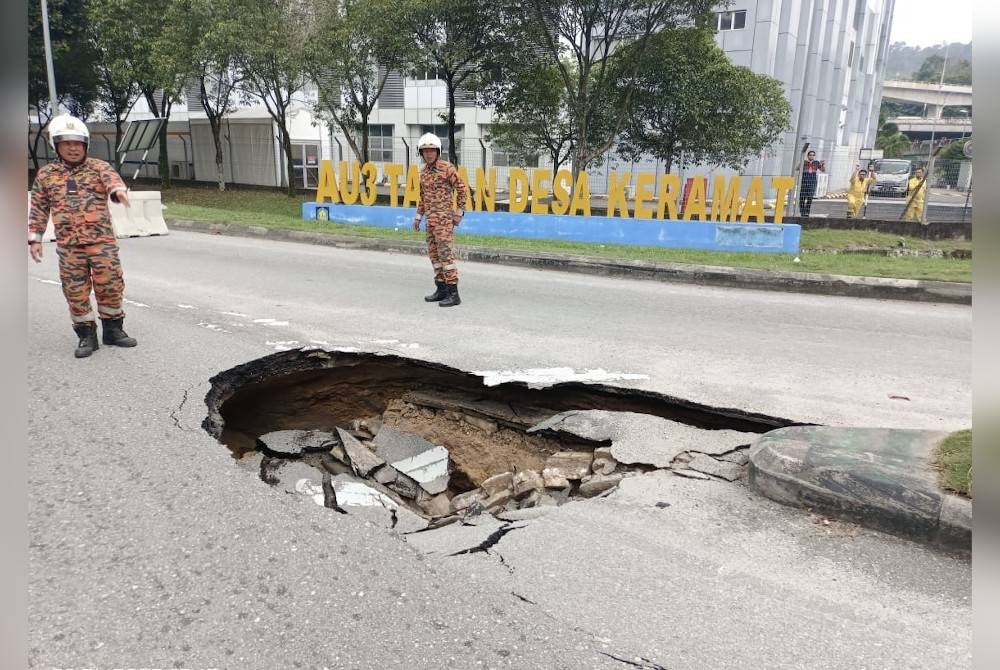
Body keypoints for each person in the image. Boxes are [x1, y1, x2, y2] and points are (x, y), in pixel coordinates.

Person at [28, 114, 138, 358]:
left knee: (110, 286)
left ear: (85, 145)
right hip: (69, 247)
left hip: (102, 243)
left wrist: (119, 191)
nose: (73, 148)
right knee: (75, 291)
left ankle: (113, 331)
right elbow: (38, 208)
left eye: (78, 143)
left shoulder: (98, 167)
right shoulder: (46, 175)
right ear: (56, 146)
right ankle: (86, 336)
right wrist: (35, 238)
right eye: (67, 143)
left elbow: (112, 181)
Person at [412, 133, 467, 308]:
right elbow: (423, 198)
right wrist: (418, 217)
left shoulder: (447, 168)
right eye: (425, 151)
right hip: (430, 222)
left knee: (446, 257)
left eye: (432, 150)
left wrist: (459, 213)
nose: (428, 154)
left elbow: (463, 190)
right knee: (434, 257)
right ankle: (441, 289)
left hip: (443, 222)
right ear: (421, 153)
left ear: (438, 151)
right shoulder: (423, 173)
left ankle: (453, 294)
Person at [799, 149, 825, 217]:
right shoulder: (804, 162)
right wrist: (801, 162)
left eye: (813, 155)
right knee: (802, 197)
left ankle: (807, 211)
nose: (812, 156)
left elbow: (822, 170)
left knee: (810, 197)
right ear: (808, 156)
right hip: (804, 181)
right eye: (810, 155)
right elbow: (797, 168)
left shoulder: (816, 162)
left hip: (812, 181)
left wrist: (822, 165)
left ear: (814, 156)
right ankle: (802, 211)